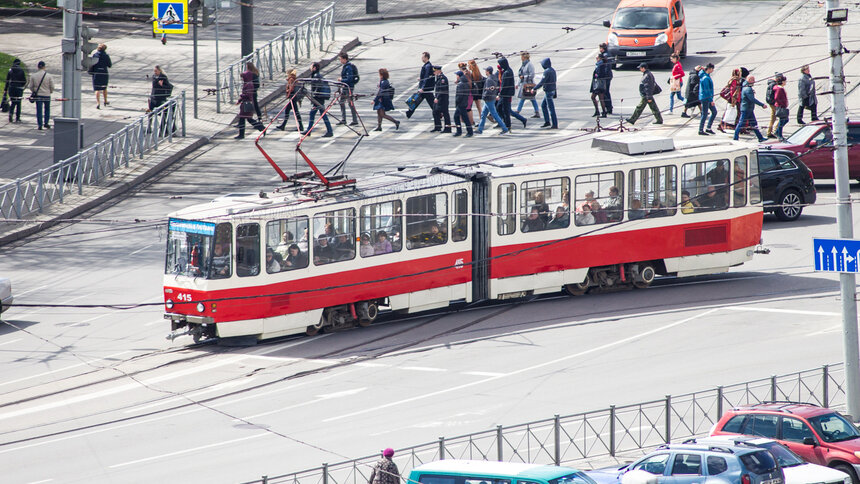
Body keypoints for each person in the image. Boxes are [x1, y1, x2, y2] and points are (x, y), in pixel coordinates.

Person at [733, 75, 767, 142]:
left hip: (749, 109)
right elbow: (752, 99)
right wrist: (762, 105)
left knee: (753, 123)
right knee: (741, 123)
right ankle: (735, 137)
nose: (754, 81)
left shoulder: (745, 87)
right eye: (753, 80)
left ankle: (760, 137)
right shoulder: (748, 89)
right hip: (746, 109)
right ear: (749, 80)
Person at [303, 62, 333, 137]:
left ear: (314, 68)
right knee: (317, 114)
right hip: (319, 98)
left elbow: (317, 88)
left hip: (318, 99)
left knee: (319, 114)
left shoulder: (316, 76)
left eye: (311, 66)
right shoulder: (317, 75)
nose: (310, 68)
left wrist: (313, 96)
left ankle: (329, 131)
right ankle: (309, 131)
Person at [476, 66, 507, 135]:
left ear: (488, 71)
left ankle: (504, 129)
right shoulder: (494, 78)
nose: (485, 72)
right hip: (491, 98)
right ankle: (480, 129)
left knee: (494, 115)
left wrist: (484, 96)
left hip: (488, 99)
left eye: (486, 71)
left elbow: (489, 90)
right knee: (483, 114)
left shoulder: (489, 80)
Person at [235, 71, 264, 139]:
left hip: (247, 104)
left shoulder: (249, 85)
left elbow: (248, 95)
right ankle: (261, 128)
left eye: (243, 77)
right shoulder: (247, 84)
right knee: (248, 119)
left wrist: (242, 96)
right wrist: (239, 100)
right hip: (245, 103)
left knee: (243, 119)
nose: (242, 79)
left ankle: (241, 135)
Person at [497, 57, 525, 129]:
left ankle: (507, 125)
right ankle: (504, 122)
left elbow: (504, 85)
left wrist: (500, 94)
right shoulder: (509, 70)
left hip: (505, 94)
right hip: (506, 94)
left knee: (506, 110)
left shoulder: (506, 73)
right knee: (500, 108)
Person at [406, 52, 435, 119]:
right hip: (425, 88)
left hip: (425, 89)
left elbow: (426, 78)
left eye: (423, 57)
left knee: (417, 100)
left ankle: (438, 114)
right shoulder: (426, 65)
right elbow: (424, 77)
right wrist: (421, 79)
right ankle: (409, 113)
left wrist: (423, 88)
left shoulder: (428, 66)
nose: (422, 58)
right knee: (416, 100)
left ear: (426, 57)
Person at [27, 61, 54, 130]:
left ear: (38, 67)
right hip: (47, 95)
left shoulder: (34, 76)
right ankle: (46, 123)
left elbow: (31, 86)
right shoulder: (49, 76)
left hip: (38, 95)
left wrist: (34, 91)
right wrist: (50, 91)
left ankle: (40, 124)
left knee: (39, 110)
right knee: (47, 109)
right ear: (44, 67)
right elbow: (52, 86)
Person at [533, 58, 557, 129]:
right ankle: (547, 121)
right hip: (552, 90)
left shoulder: (547, 72)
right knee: (543, 105)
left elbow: (542, 82)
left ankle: (554, 124)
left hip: (548, 92)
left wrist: (534, 88)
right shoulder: (552, 70)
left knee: (551, 109)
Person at [336, 52, 359, 126]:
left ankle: (354, 120)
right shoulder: (346, 66)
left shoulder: (348, 67)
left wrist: (341, 80)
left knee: (350, 103)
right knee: (342, 102)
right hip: (345, 87)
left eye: (340, 59)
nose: (340, 61)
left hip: (348, 87)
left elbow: (349, 79)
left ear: (344, 59)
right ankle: (344, 119)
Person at [516, 52, 540, 118]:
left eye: (521, 57)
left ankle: (518, 111)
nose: (521, 58)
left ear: (525, 57)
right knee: (529, 98)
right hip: (524, 84)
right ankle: (536, 111)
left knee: (528, 98)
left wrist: (524, 77)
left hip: (528, 85)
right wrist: (517, 84)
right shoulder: (523, 65)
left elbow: (532, 75)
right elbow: (520, 75)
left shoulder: (530, 65)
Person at [719, 68, 743, 132]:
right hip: (734, 100)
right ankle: (739, 128)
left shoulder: (736, 80)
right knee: (735, 113)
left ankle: (722, 125)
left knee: (730, 112)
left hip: (736, 99)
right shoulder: (734, 80)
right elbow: (733, 91)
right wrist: (734, 101)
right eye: (740, 73)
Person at [698, 63, 717, 135]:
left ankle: (708, 128)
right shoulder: (705, 78)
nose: (712, 70)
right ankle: (700, 130)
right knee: (705, 114)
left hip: (706, 97)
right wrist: (711, 100)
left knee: (714, 112)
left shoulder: (705, 75)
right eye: (712, 69)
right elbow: (707, 90)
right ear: (709, 68)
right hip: (706, 98)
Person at [452, 70, 473, 137]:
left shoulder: (460, 84)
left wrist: (457, 102)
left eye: (456, 75)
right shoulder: (465, 82)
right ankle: (459, 131)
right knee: (456, 117)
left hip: (461, 104)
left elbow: (459, 95)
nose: (456, 77)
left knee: (465, 118)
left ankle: (469, 132)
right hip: (464, 102)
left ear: (458, 76)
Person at [4, 58, 26, 123]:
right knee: (18, 103)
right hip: (19, 88)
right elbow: (24, 81)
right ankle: (18, 117)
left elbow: (7, 80)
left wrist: (5, 89)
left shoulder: (10, 70)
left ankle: (11, 113)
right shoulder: (21, 71)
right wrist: (22, 85)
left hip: (12, 88)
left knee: (13, 101)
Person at [91, 44, 112, 109]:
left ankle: (98, 103)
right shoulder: (106, 56)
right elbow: (109, 65)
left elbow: (92, 64)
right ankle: (105, 100)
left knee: (97, 89)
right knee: (104, 87)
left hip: (96, 73)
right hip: (104, 73)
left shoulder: (95, 55)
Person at [432, 65, 451, 133]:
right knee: (435, 112)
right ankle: (438, 127)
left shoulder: (443, 79)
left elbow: (442, 90)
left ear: (438, 71)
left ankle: (448, 128)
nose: (434, 73)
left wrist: (437, 97)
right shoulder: (438, 77)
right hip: (438, 98)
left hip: (443, 99)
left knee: (445, 113)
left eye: (435, 71)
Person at [467, 60, 484, 127]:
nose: (468, 66)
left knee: (470, 107)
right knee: (479, 107)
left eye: (469, 65)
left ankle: (472, 121)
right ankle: (481, 121)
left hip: (473, 92)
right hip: (478, 92)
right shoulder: (477, 72)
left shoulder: (471, 73)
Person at [598, 43, 614, 114]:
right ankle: (609, 107)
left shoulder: (605, 55)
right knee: (606, 92)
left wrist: (604, 76)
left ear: (603, 48)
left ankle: (608, 108)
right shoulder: (607, 54)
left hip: (606, 77)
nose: (600, 49)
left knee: (605, 93)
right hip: (608, 76)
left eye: (600, 48)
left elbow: (606, 67)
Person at [773, 75, 790, 140]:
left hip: (782, 106)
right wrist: (782, 104)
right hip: (781, 107)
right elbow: (776, 98)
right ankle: (779, 134)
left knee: (785, 120)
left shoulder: (780, 88)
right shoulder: (780, 89)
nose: (785, 82)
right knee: (782, 120)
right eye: (785, 81)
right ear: (782, 82)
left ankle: (777, 132)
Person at [765, 73, 780, 138]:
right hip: (773, 104)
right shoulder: (774, 85)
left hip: (771, 103)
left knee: (773, 118)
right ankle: (775, 131)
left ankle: (769, 132)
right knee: (781, 117)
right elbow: (773, 96)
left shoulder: (771, 84)